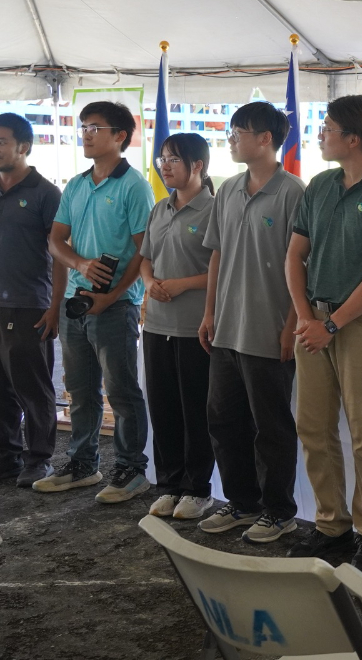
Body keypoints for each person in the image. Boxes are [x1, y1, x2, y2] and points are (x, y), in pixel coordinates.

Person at [285, 96, 362, 573]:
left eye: (328, 127)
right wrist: (306, 318)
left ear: (353, 138)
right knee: (313, 427)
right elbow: (294, 255)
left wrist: (332, 325)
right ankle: (330, 526)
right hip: (314, 320)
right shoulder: (320, 185)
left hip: (360, 323)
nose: (320, 134)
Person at [197, 102, 305, 544]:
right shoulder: (227, 189)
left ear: (265, 139)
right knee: (223, 420)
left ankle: (279, 512)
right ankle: (242, 503)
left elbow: (303, 265)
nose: (231, 139)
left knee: (271, 427)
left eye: (238, 132)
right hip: (227, 328)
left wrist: (292, 323)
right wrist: (209, 312)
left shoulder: (293, 192)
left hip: (269, 328)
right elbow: (217, 254)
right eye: (231, 132)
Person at [39, 101, 155, 502]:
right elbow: (55, 240)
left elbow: (143, 250)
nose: (86, 134)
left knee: (121, 390)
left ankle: (131, 469)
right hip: (76, 302)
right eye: (83, 127)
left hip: (115, 307)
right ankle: (83, 465)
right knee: (80, 389)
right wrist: (81, 264)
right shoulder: (76, 184)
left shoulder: (134, 186)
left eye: (95, 127)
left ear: (120, 136)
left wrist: (114, 296)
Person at [0, 112, 64, 488]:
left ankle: (39, 459)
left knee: (32, 386)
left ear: (24, 147)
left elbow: (60, 254)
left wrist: (55, 308)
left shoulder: (45, 193)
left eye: (1, 142)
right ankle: (5, 456)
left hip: (27, 304)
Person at [139, 134, 217, 521]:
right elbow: (145, 258)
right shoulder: (160, 208)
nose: (164, 166)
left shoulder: (214, 210)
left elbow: (223, 269)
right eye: (162, 159)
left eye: (173, 159)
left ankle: (197, 489)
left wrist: (183, 284)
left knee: (195, 412)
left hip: (194, 328)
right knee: (163, 409)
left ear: (197, 165)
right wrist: (149, 281)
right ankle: (168, 485)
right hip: (156, 325)